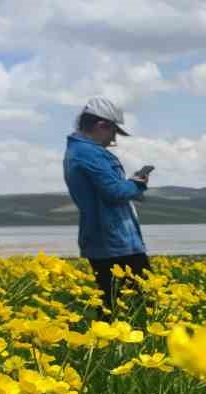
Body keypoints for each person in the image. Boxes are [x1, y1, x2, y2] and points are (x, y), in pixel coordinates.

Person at [64, 97, 152, 314]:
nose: (114, 139)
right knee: (145, 305)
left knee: (112, 305)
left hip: (105, 241)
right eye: (114, 132)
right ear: (102, 126)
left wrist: (130, 185)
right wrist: (136, 185)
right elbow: (115, 192)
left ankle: (105, 347)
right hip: (115, 243)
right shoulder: (90, 154)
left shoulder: (78, 151)